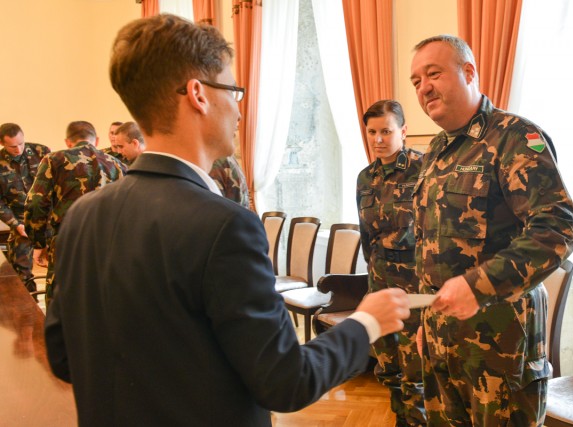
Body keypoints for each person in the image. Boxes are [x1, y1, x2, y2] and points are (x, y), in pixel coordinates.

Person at [43, 14, 411, 427]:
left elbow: (63, 356)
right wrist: (366, 322)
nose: (239, 108)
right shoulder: (224, 226)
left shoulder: (82, 216)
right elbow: (287, 381)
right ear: (198, 95)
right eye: (234, 90)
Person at [409, 35, 573, 426]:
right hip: (440, 338)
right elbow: (429, 244)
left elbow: (556, 228)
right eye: (416, 81)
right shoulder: (435, 150)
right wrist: (426, 322)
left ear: (469, 72)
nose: (424, 87)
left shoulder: (515, 137)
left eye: (433, 74)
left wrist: (478, 286)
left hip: (501, 346)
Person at [356, 100, 425, 427]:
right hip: (380, 279)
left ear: (403, 131)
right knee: (387, 360)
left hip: (415, 282)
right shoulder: (365, 178)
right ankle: (401, 417)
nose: (378, 139)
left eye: (386, 131)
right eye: (372, 132)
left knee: (416, 364)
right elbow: (365, 233)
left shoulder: (424, 169)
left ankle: (418, 421)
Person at [24, 120, 126, 305]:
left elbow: (36, 202)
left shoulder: (54, 160)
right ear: (97, 140)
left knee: (60, 299)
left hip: (66, 238)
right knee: (101, 298)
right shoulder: (117, 164)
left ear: (68, 142)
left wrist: (38, 242)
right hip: (106, 242)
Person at [0, 123, 50, 285]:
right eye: (13, 146)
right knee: (20, 270)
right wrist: (16, 225)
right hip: (20, 220)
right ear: (2, 143)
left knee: (62, 265)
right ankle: (28, 300)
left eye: (21, 143)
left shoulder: (42, 152)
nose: (18, 149)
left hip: (48, 216)